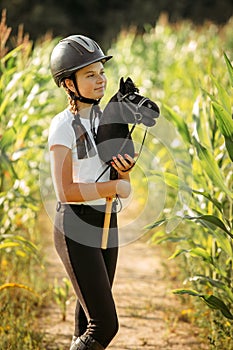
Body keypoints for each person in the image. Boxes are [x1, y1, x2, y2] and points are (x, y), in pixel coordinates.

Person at [48, 35, 135, 350]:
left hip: (106, 221)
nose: (101, 80)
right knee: (104, 325)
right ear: (69, 84)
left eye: (101, 72)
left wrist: (124, 169)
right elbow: (65, 190)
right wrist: (115, 185)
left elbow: (120, 177)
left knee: (86, 321)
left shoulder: (107, 119)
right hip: (75, 224)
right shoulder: (63, 126)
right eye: (90, 74)